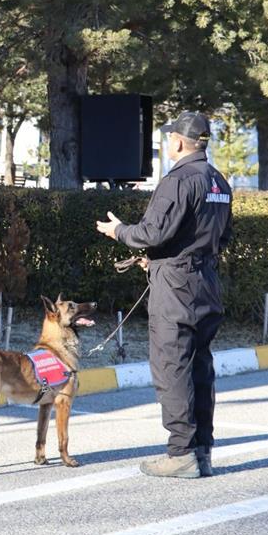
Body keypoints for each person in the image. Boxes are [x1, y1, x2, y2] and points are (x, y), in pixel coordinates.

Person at [96, 112, 233, 479]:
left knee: (173, 369)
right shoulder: (218, 181)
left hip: (177, 290)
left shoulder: (179, 180)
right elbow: (221, 236)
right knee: (200, 368)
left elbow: (153, 233)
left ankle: (181, 453)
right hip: (207, 283)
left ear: (177, 142)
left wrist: (119, 231)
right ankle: (201, 450)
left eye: (170, 136)